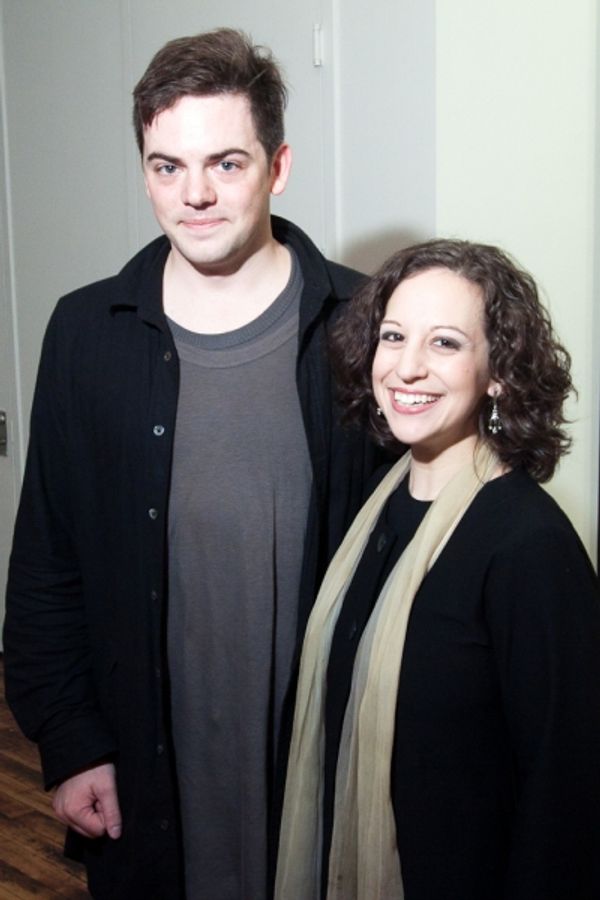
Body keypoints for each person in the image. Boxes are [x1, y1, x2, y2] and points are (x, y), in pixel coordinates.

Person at [3, 28, 379, 900]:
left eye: (226, 163)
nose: (195, 195)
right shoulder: (84, 334)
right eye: (166, 166)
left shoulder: (365, 327)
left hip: (320, 781)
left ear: (277, 167)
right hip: (144, 777)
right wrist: (70, 742)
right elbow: (46, 569)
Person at [275, 239, 600, 900]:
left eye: (446, 343)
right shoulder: (377, 511)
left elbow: (569, 789)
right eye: (393, 336)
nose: (408, 367)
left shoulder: (528, 544)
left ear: (499, 371)